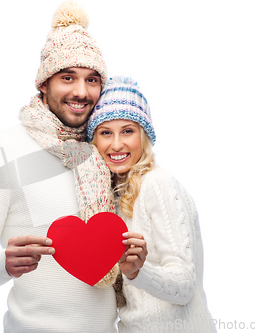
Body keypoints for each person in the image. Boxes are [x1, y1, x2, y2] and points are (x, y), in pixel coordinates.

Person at [0, 1, 121, 332]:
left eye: (92, 80)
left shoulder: (106, 149)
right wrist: (1, 264)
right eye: (67, 77)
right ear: (43, 84)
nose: (81, 91)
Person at [87, 76, 218, 333]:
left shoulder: (157, 184)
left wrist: (137, 272)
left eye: (127, 131)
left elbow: (184, 285)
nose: (116, 144)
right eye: (105, 132)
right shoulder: (108, 196)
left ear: (143, 135)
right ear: (94, 140)